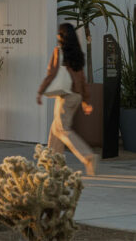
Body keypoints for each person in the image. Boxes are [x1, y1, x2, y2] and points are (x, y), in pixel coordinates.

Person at [36, 23, 99, 175]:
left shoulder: (59, 51)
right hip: (76, 96)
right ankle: (52, 165)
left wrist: (40, 91)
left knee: (63, 129)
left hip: (66, 96)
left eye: (59, 33)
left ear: (61, 36)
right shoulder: (78, 54)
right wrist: (85, 100)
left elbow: (52, 73)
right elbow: (82, 79)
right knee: (55, 130)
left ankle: (88, 156)